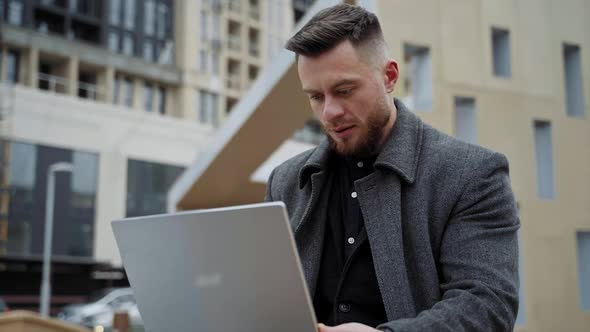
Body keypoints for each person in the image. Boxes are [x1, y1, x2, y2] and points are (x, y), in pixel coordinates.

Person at [264, 3, 519, 332]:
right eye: (315, 96)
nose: (329, 112)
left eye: (344, 91)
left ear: (390, 76)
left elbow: (487, 309)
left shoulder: (473, 175)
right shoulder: (285, 183)